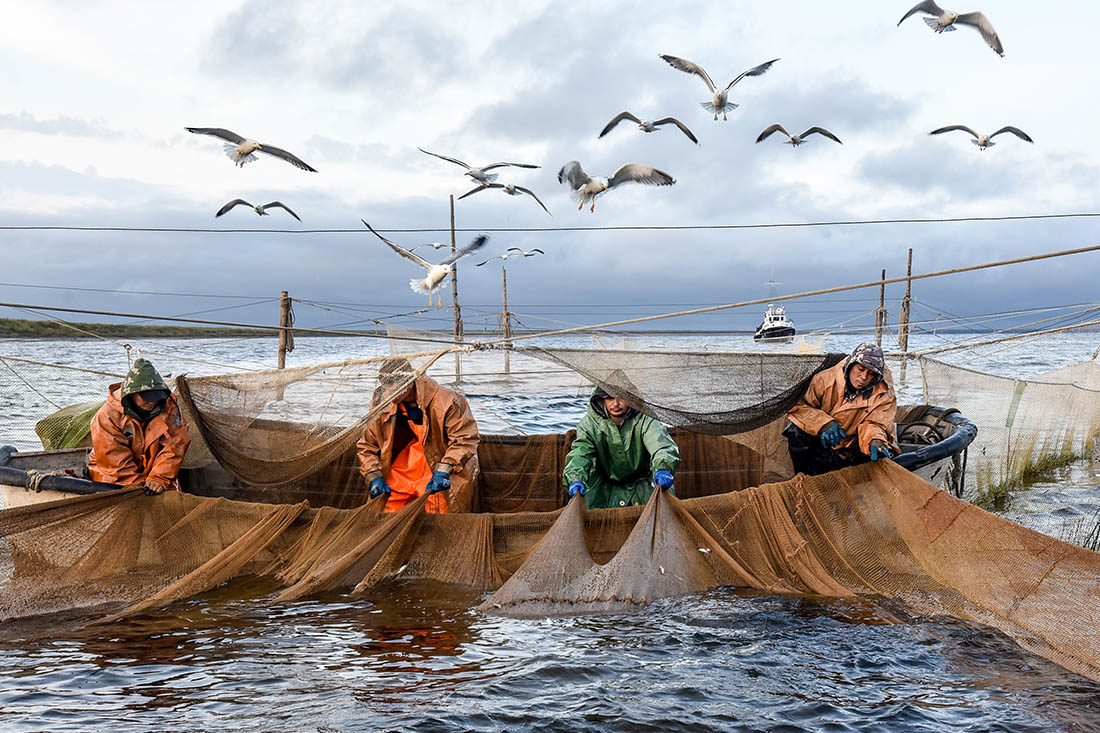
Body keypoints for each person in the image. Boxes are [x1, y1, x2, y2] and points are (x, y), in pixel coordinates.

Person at [356, 357, 480, 513]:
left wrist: (445, 468)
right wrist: (373, 475)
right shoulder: (381, 402)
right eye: (385, 388)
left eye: (394, 390)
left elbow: (465, 439)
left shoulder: (448, 400)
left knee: (439, 510)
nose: (389, 395)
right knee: (386, 511)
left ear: (408, 384)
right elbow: (366, 445)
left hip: (438, 466)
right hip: (402, 469)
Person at [783, 342, 899, 476]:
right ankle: (804, 477)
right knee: (795, 430)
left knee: (878, 453)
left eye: (871, 373)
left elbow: (876, 423)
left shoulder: (884, 392)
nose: (863, 377)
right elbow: (798, 406)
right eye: (861, 369)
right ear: (850, 365)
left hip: (853, 443)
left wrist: (875, 440)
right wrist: (823, 424)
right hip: (825, 441)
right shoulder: (825, 379)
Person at [561, 383, 681, 509]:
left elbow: (661, 445)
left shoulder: (646, 418)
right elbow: (580, 453)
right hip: (604, 487)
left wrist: (663, 468)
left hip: (645, 483)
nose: (616, 404)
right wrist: (575, 478)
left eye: (621, 398)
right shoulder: (589, 424)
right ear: (601, 400)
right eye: (610, 398)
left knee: (663, 509)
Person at [88, 357, 192, 495]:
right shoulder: (106, 416)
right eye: (146, 397)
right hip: (112, 475)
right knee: (128, 499)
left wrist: (159, 478)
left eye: (156, 396)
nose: (153, 402)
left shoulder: (170, 407)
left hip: (156, 474)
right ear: (131, 394)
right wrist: (140, 488)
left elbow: (175, 445)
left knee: (171, 497)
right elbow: (114, 462)